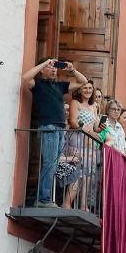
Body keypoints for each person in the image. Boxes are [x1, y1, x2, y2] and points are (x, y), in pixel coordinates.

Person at [23, 58, 86, 207]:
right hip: (49, 127)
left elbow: (83, 82)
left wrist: (72, 70)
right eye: (50, 67)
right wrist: (44, 63)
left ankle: (45, 198)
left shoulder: (59, 86)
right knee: (50, 163)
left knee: (54, 164)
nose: (53, 69)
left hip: (60, 129)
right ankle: (42, 199)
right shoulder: (38, 84)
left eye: (55, 67)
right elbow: (25, 78)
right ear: (42, 70)